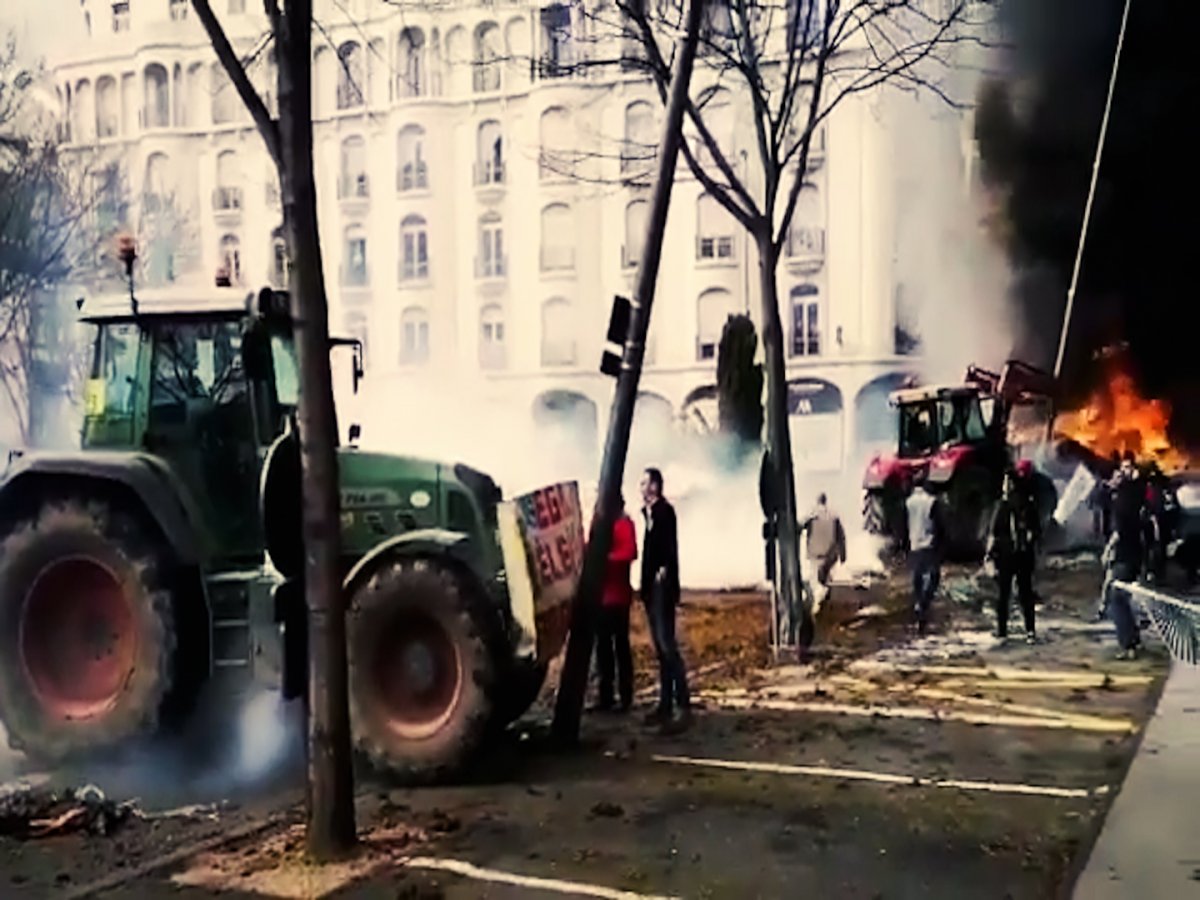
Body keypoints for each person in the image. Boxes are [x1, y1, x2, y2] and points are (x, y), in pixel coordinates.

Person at [639, 467, 692, 733]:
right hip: (650, 588)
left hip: (662, 588)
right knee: (661, 650)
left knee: (668, 647)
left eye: (646, 483)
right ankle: (665, 704)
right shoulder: (648, 514)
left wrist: (663, 574)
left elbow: (668, 549)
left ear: (656, 486)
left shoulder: (664, 512)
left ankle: (683, 706)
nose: (642, 488)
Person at [986, 460, 1042, 644]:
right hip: (1024, 556)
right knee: (1026, 594)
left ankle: (1002, 632)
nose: (1003, 486)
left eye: (1005, 482)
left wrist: (988, 556)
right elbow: (1036, 531)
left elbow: (994, 533)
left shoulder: (1002, 506)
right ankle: (1030, 632)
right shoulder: (1028, 503)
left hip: (1006, 556)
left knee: (1004, 594)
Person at [593, 494, 637, 714]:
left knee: (620, 647)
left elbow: (629, 553)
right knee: (603, 649)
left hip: (617, 596)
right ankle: (606, 696)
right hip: (602, 597)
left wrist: (603, 559)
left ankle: (626, 696)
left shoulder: (624, 524)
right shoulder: (602, 526)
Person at [1104, 453, 1144, 659]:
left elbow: (1119, 531)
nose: (1121, 473)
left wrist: (1107, 550)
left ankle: (1129, 644)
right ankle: (1132, 639)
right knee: (1121, 599)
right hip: (1132, 554)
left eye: (1126, 469)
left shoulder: (1126, 498)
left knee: (1116, 600)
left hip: (1125, 556)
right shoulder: (1131, 493)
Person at [904, 469, 945, 636]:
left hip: (915, 545)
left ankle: (919, 606)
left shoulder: (908, 502)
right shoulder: (932, 502)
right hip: (929, 544)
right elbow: (939, 526)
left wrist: (904, 545)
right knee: (933, 577)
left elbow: (903, 525)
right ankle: (923, 605)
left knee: (918, 578)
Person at [800, 493, 847, 618]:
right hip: (830, 554)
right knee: (825, 577)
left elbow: (799, 526)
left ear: (817, 502)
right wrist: (843, 555)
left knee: (816, 581)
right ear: (826, 501)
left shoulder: (812, 514)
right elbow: (841, 537)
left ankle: (817, 605)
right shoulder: (834, 516)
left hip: (815, 554)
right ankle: (824, 602)